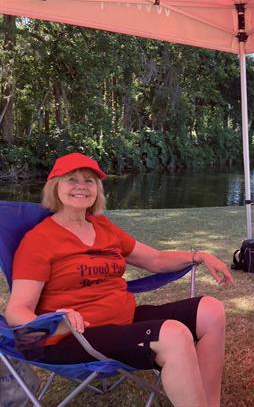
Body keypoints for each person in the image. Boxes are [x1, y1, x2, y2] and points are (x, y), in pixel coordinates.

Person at [5, 152, 235, 407]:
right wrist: (56, 321)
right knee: (174, 334)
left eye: (89, 180)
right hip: (76, 336)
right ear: (55, 186)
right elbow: (17, 310)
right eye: (72, 179)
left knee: (211, 310)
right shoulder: (39, 241)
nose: (81, 186)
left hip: (123, 320)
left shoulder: (103, 227)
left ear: (98, 189)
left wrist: (199, 255)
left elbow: (155, 259)